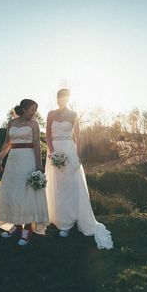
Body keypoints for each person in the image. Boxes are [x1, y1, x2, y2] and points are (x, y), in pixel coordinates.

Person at [44, 89, 113, 249]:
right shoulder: (51, 114)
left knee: (70, 185)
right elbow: (47, 134)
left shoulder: (73, 115)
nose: (60, 100)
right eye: (58, 98)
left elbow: (78, 136)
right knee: (57, 185)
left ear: (67, 99)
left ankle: (70, 221)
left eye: (63, 98)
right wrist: (52, 152)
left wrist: (77, 154)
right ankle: (59, 219)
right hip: (54, 151)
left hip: (69, 149)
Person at [0, 98, 48, 246]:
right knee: (12, 191)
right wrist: (0, 159)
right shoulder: (11, 123)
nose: (34, 113)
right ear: (24, 109)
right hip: (13, 160)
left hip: (28, 159)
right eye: (32, 110)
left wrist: (39, 165)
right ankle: (17, 226)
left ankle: (28, 229)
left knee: (26, 192)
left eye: (35, 110)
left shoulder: (34, 124)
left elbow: (37, 145)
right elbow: (7, 143)